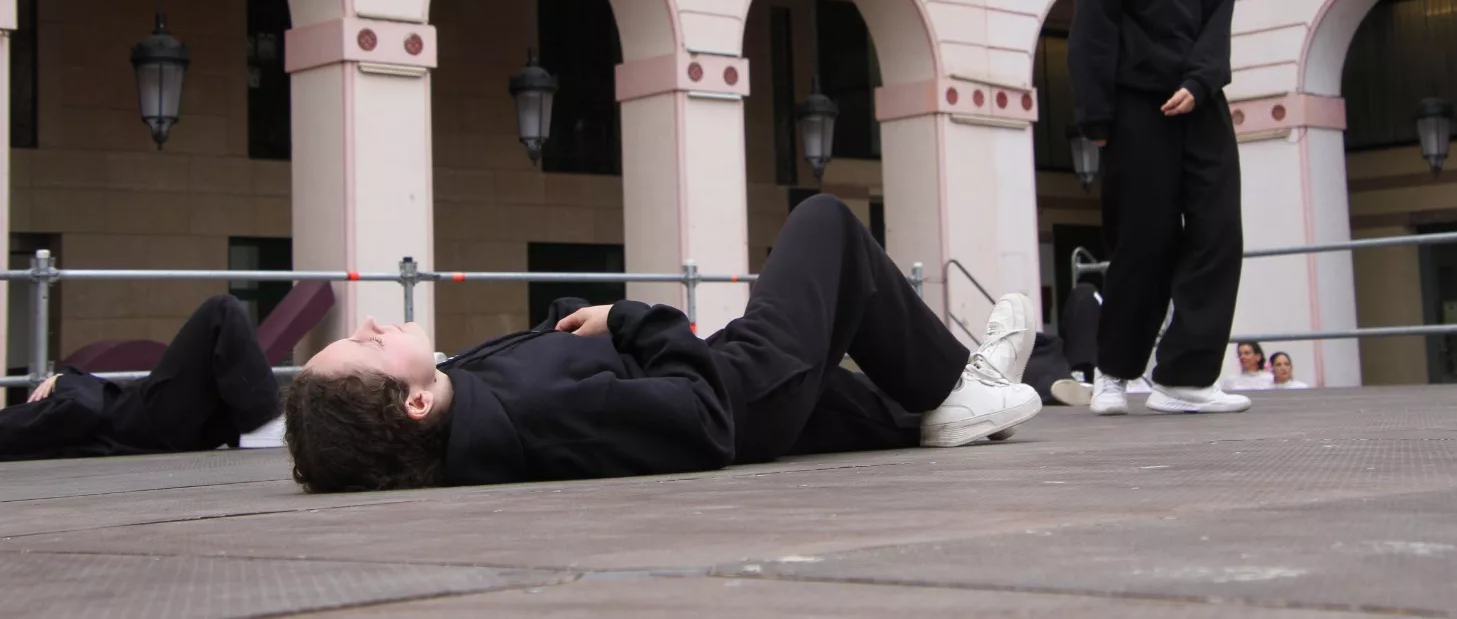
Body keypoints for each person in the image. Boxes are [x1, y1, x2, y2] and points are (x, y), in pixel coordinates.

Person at [283, 195, 1043, 492]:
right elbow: (700, 418)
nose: (370, 325)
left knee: (893, 412)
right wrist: (629, 318)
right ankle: (960, 383)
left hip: (729, 377)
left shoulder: (465, 401)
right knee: (825, 223)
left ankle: (959, 398)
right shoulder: (528, 416)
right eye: (366, 347)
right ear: (415, 404)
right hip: (743, 387)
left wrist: (576, 320)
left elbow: (560, 364)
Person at [1067, 0, 1250, 417]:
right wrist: (1097, 118)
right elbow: (1093, 30)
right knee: (1144, 240)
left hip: (1202, 106)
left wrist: (1199, 83)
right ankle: (1114, 372)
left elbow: (1218, 26)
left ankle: (1185, 379)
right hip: (1138, 111)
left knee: (1219, 233)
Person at [0, 294, 284, 460]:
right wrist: (66, 380)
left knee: (222, 366)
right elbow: (80, 409)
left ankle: (269, 422)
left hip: (155, 426)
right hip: (144, 419)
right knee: (221, 309)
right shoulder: (14, 423)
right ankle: (265, 421)